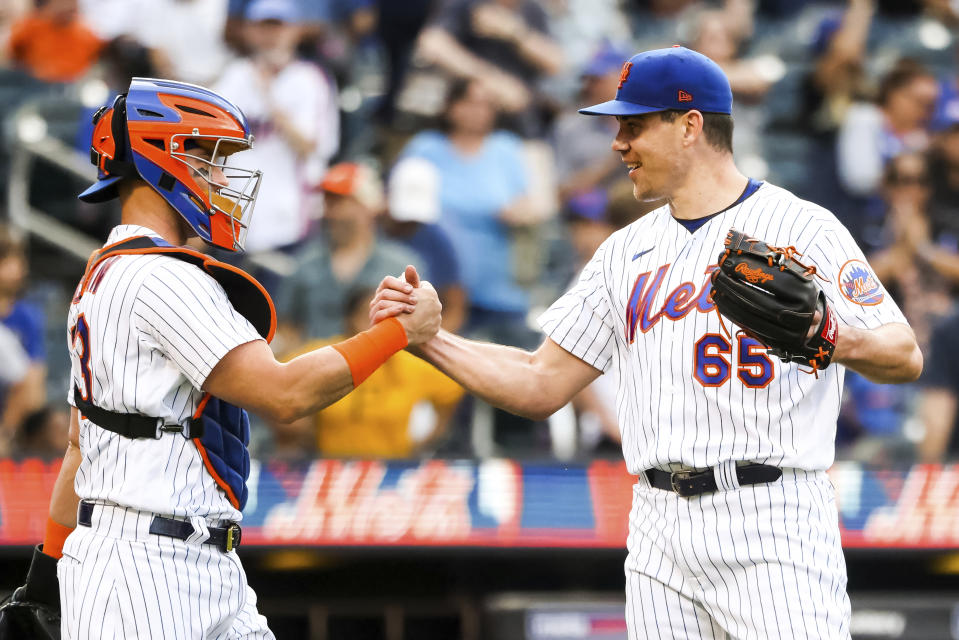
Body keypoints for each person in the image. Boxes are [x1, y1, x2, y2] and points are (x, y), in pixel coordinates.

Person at [372, 47, 922, 638]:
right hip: (658, 521)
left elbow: (902, 354)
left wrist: (825, 336)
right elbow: (538, 382)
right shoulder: (622, 252)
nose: (618, 143)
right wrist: (429, 339)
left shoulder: (801, 226)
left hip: (772, 513)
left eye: (633, 126)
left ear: (689, 126)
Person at [11, 77, 440, 639]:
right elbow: (284, 395)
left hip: (195, 562)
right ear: (162, 158)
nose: (221, 176)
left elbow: (77, 446)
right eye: (209, 157)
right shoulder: (160, 276)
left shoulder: (104, 272)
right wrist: (398, 334)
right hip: (146, 571)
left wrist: (48, 573)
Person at [277, 287, 464, 459]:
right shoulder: (322, 354)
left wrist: (423, 443)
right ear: (349, 319)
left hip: (393, 468)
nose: (377, 323)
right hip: (329, 466)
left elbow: (451, 391)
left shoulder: (410, 363)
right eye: (369, 316)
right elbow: (278, 384)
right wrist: (303, 433)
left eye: (386, 316)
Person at [274, 161, 421, 346]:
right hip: (316, 364)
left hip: (380, 367)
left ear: (367, 205)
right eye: (327, 201)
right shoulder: (305, 263)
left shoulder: (400, 265)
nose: (330, 211)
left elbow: (416, 327)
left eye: (339, 201)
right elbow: (287, 326)